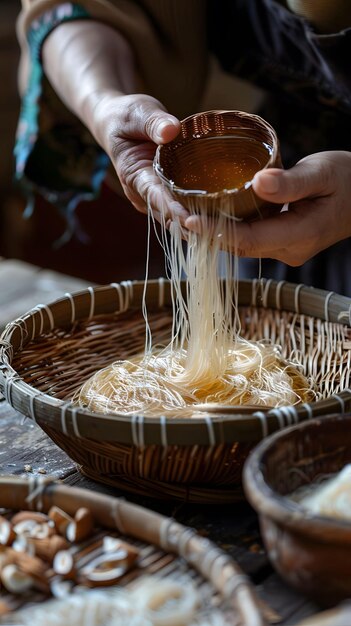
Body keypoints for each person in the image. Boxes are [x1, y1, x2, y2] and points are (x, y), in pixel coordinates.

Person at [15, 1, 351, 291]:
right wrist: (102, 101)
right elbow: (83, 5)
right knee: (233, 325)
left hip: (304, 178)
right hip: (253, 200)